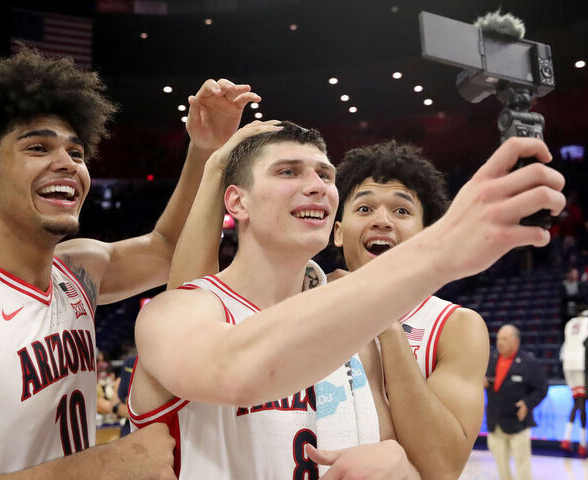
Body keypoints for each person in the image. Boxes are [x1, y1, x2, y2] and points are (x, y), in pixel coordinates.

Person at [129, 116, 564, 479]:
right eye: (288, 171)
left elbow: (422, 466)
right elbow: (237, 371)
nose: (317, 185)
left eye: (325, 174)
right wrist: (435, 254)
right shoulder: (175, 313)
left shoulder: (359, 339)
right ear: (236, 202)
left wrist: (399, 466)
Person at [0, 48, 259, 478]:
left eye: (76, 154)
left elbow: (168, 249)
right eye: (38, 148)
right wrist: (101, 467)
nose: (66, 165)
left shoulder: (79, 269)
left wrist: (204, 148)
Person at [319, 141, 488, 479]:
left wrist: (385, 319)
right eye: (364, 209)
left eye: (402, 211)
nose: (382, 221)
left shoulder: (456, 326)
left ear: (426, 234)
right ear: (338, 232)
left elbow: (442, 467)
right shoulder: (300, 303)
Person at [485, 325, 548, 480]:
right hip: (496, 422)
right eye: (498, 338)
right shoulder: (492, 359)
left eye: (504, 339)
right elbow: (488, 381)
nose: (499, 342)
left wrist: (527, 403)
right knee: (501, 467)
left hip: (518, 423)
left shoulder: (529, 362)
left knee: (522, 466)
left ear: (515, 341)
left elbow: (542, 388)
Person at [560, 311, 588, 455]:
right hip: (581, 363)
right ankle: (583, 442)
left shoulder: (569, 323)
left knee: (576, 401)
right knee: (582, 402)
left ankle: (567, 437)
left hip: (567, 364)